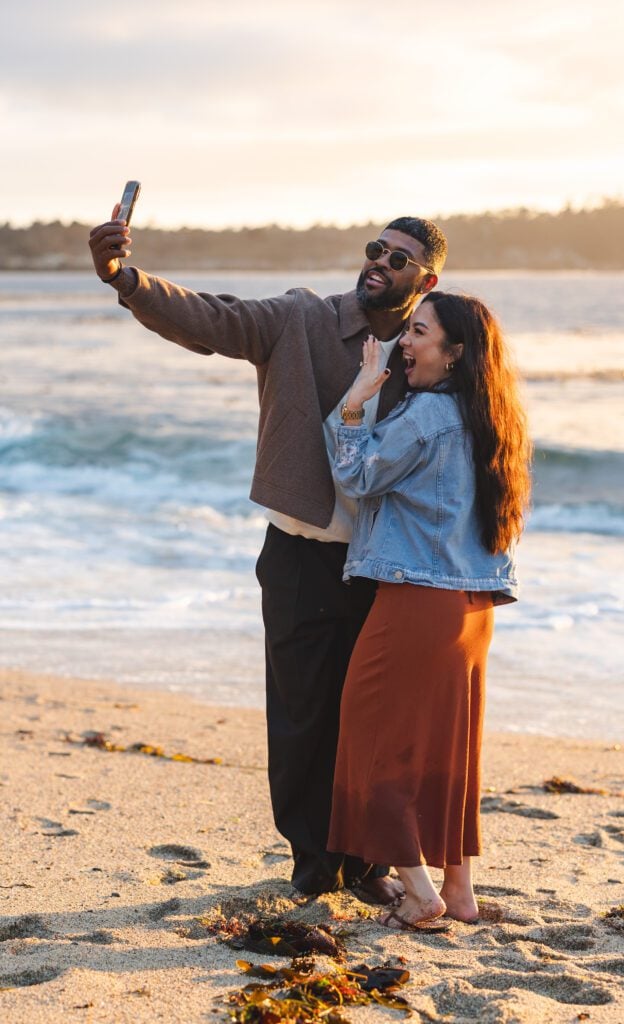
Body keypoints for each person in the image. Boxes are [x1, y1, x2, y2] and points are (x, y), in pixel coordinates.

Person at [88, 208, 448, 899]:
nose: (378, 261)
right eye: (375, 248)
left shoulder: (424, 347)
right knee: (304, 717)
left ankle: (367, 863)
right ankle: (315, 866)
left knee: (371, 723)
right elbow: (209, 318)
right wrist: (123, 277)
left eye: (397, 258)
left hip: (388, 567)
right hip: (301, 556)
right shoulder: (300, 319)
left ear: (425, 278)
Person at [326, 291, 531, 929]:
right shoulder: (492, 417)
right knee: (449, 751)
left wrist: (356, 399)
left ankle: (420, 891)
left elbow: (357, 477)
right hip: (472, 611)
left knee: (373, 738)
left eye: (418, 333)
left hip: (417, 602)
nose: (402, 345)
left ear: (456, 351)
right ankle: (460, 891)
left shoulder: (427, 416)